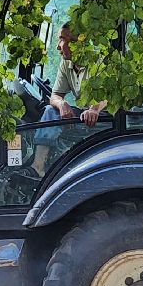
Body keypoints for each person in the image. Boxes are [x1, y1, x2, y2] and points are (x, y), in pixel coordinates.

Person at [33, 20, 108, 173]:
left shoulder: (100, 61)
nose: (58, 46)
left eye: (62, 40)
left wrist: (94, 110)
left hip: (106, 119)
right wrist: (61, 104)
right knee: (50, 111)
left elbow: (107, 96)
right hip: (85, 116)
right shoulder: (66, 64)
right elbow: (54, 96)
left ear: (76, 42)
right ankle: (38, 168)